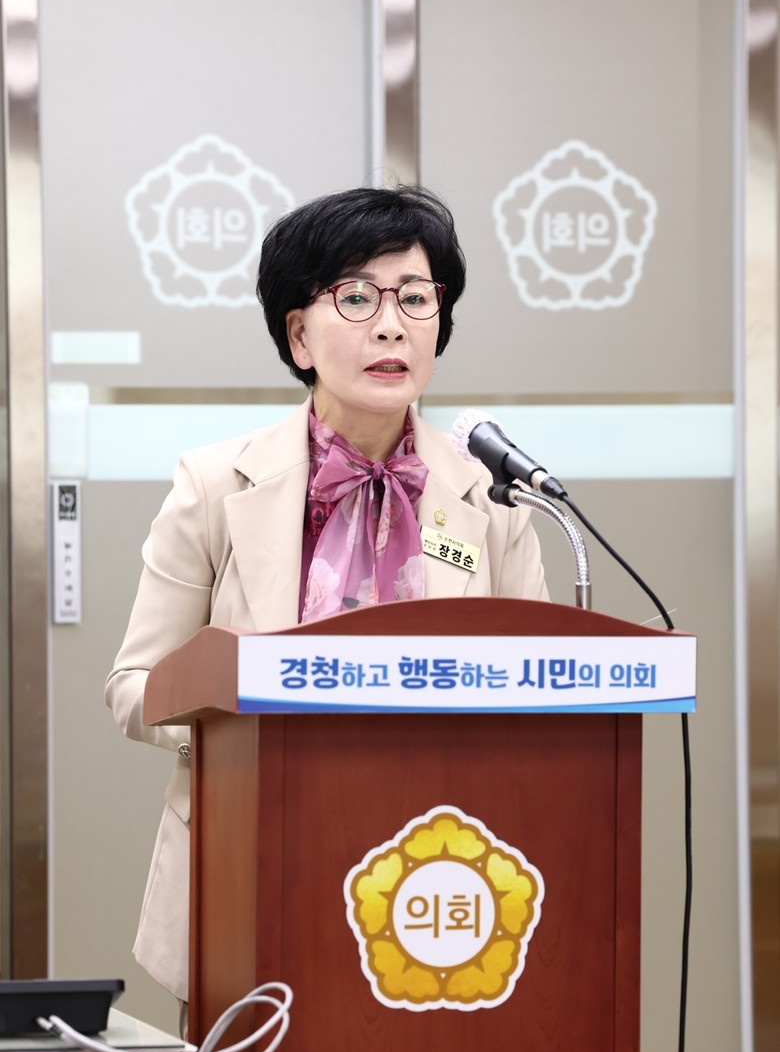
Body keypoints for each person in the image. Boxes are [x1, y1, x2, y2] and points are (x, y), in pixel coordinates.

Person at [106, 184, 549, 1006]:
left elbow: (537, 697)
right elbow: (133, 687)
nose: (391, 325)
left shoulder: (489, 500)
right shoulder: (215, 484)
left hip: (442, 880)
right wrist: (239, 713)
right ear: (300, 334)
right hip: (250, 862)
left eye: (415, 298)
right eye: (356, 297)